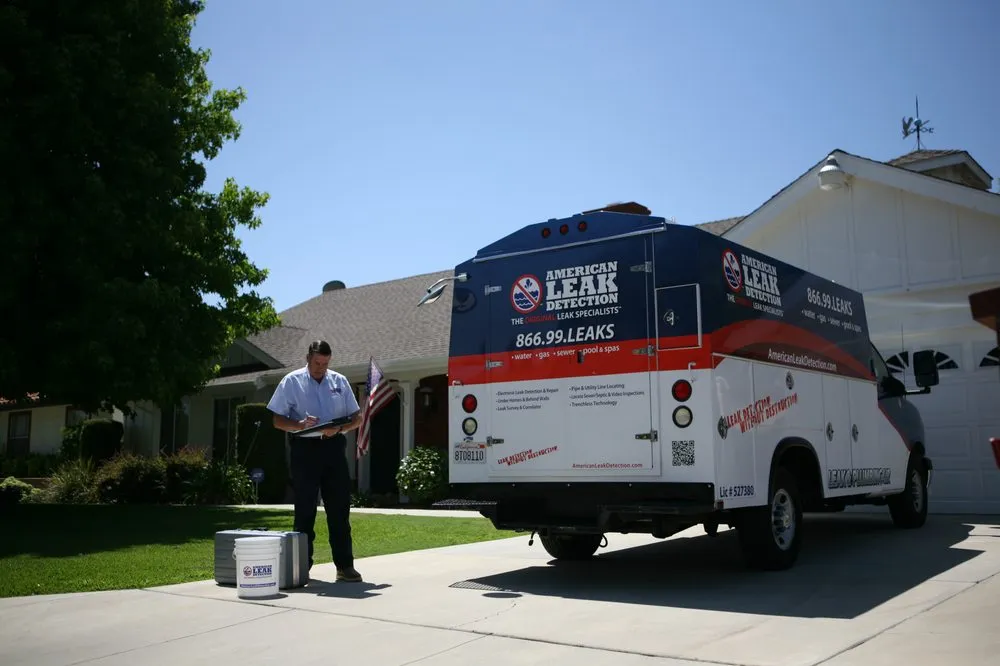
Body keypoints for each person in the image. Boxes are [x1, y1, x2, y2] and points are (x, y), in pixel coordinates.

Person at [266, 340, 363, 582]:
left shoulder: (339, 381)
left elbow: (357, 418)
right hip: (304, 450)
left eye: (326, 364)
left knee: (339, 509)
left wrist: (340, 428)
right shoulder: (291, 381)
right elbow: (277, 420)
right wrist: (298, 425)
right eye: (318, 363)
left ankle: (345, 566)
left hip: (333, 449)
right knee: (305, 510)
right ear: (308, 357)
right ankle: (301, 567)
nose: (321, 368)